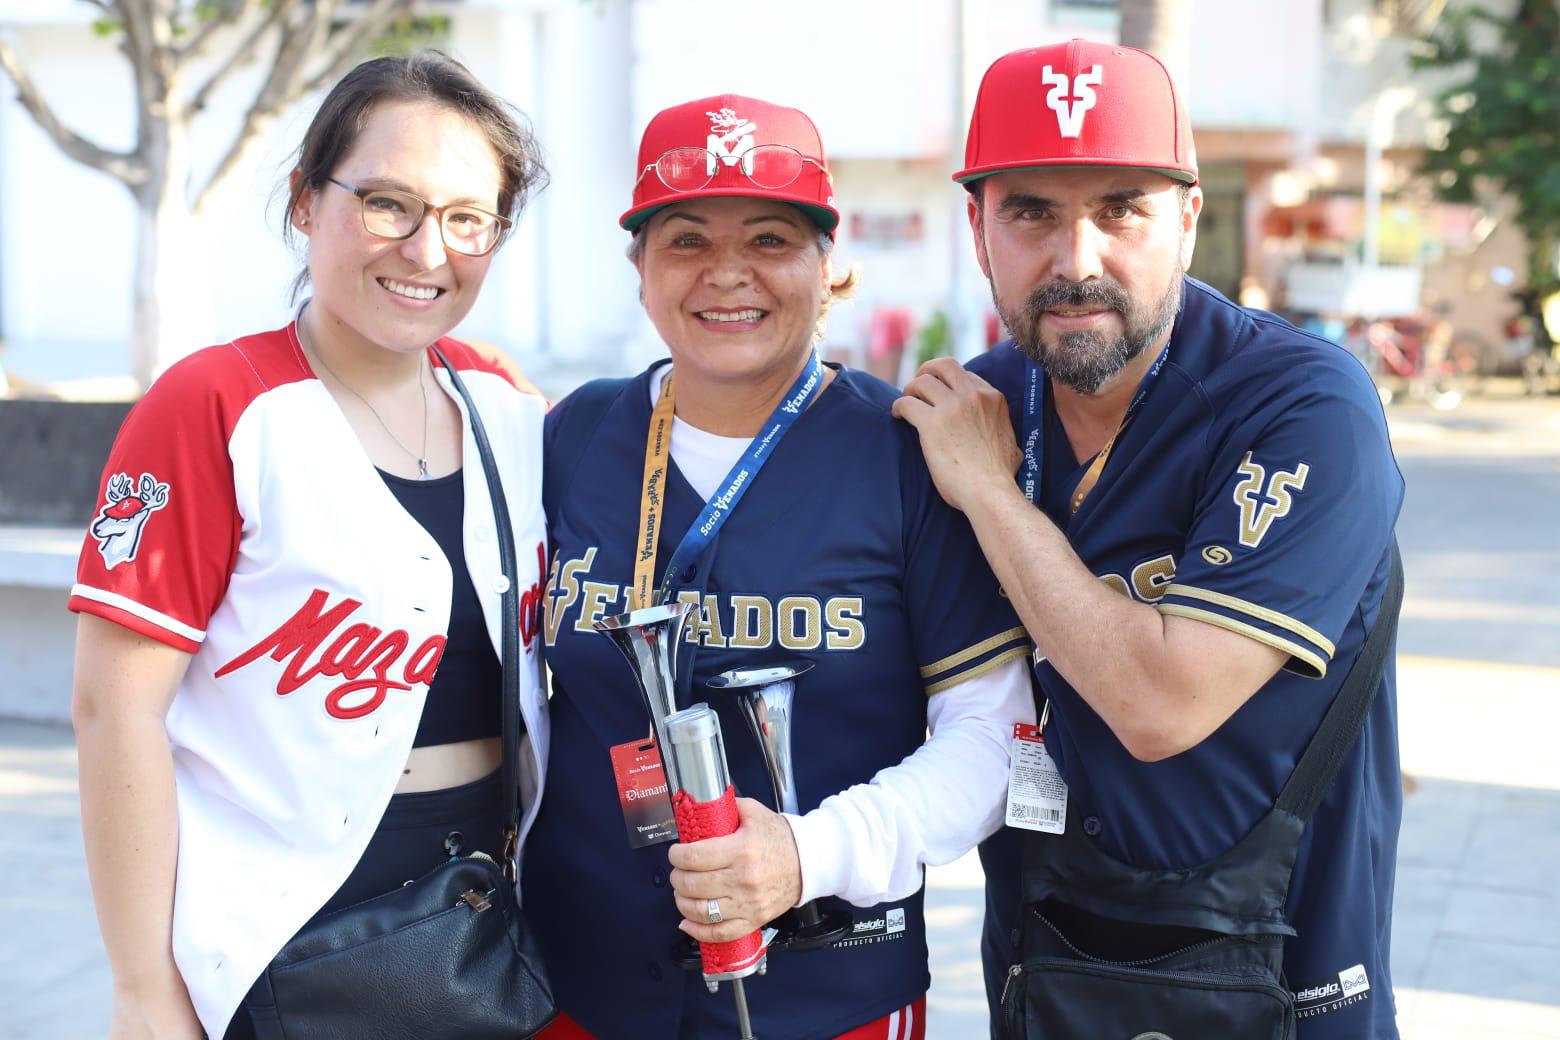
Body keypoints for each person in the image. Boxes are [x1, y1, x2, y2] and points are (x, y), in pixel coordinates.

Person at [893, 41, 1405, 1039]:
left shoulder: (1302, 402)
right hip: (1044, 975)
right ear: (978, 227)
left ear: (1188, 219)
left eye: (1122, 206)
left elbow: (1158, 702)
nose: (1075, 258)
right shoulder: (978, 402)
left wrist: (993, 497)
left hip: (1281, 985)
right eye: (1030, 210)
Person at [527, 94, 1034, 1039]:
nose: (728, 274)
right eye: (685, 240)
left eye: (770, 237)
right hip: (577, 985)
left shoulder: (906, 454)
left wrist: (808, 856)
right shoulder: (573, 436)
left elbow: (994, 738)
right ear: (639, 267)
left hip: (827, 992)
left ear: (829, 264)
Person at [68, 52, 549, 1040]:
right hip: (275, 933)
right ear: (304, 200)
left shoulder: (507, 409)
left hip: (487, 925)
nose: (427, 250)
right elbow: (113, 710)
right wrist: (142, 990)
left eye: (469, 218)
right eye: (387, 204)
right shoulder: (218, 404)